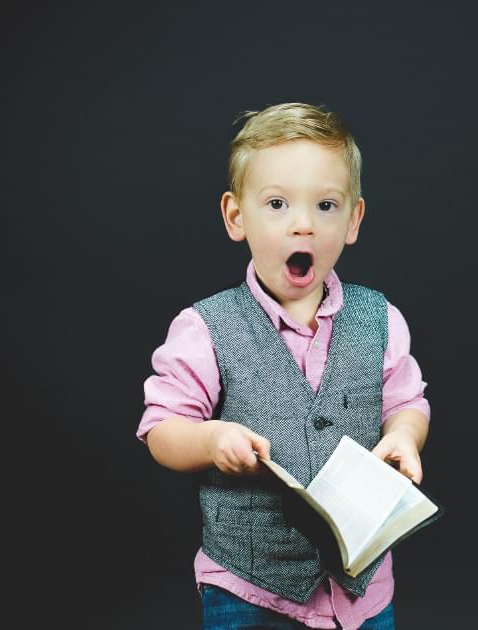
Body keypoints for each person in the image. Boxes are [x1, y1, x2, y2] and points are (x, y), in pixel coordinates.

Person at [136, 102, 431, 630]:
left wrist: (405, 436)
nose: (303, 225)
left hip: (360, 591)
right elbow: (161, 429)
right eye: (276, 203)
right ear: (236, 216)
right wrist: (209, 440)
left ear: (354, 220)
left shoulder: (380, 318)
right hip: (250, 590)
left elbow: (407, 402)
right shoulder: (206, 328)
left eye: (325, 205)